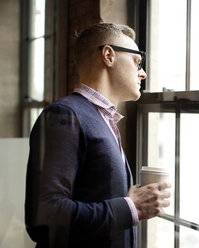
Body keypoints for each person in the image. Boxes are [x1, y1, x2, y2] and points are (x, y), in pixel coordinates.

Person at [25, 23, 171, 248]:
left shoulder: (103, 119)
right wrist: (131, 207)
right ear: (108, 55)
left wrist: (131, 199)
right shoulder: (64, 115)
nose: (142, 73)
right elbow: (45, 219)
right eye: (137, 61)